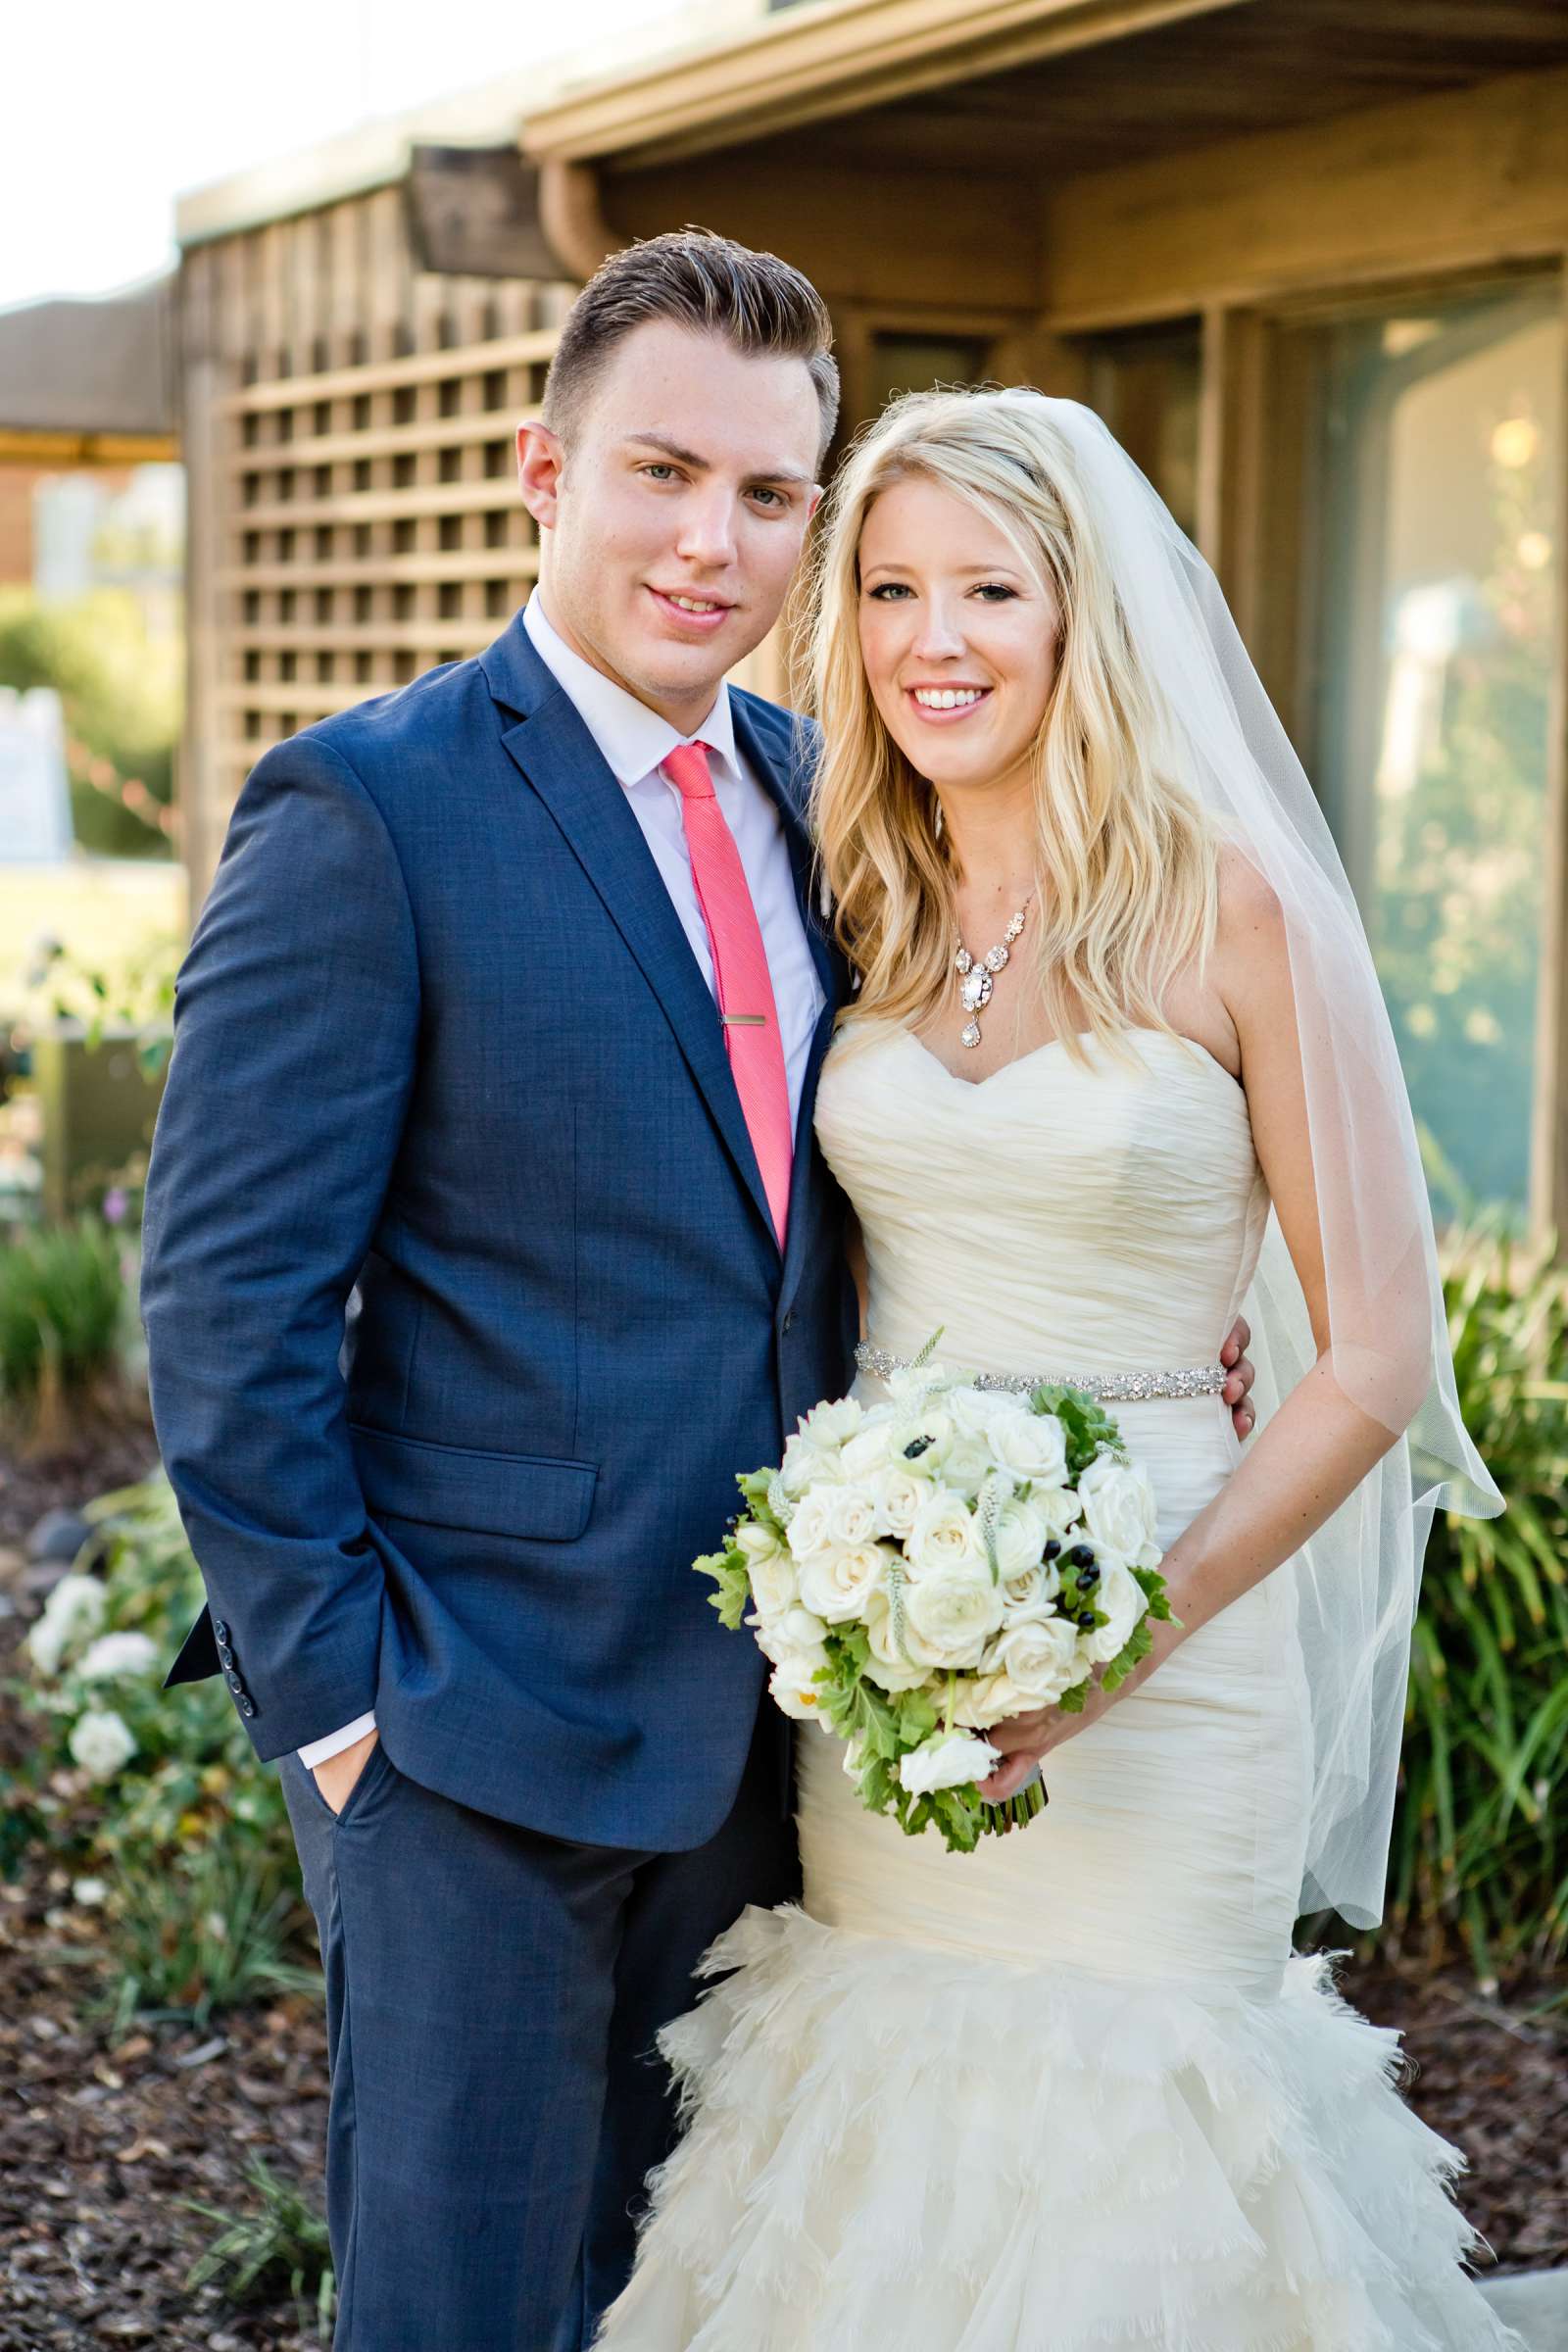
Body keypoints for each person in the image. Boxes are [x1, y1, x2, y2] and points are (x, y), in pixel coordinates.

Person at [137, 229, 1264, 2351]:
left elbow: (894, 1169)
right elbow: (223, 1300)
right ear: (540, 472)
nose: (710, 542)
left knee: (708, 2301)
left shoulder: (821, 803)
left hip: (783, 1741)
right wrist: (349, 1716)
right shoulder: (367, 809)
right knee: (466, 2312)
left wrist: (1140, 1314)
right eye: (663, 471)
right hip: (469, 1738)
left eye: (769, 497)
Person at [593, 387, 1514, 2351]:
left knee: (1135, 2177)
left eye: (988, 590)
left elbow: (1369, 1357)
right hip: (887, 1649)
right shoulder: (861, 906)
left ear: (1075, 612)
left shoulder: (1233, 912)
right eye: (891, 589)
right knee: (889, 2149)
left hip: (1171, 1659)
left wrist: (1121, 1640)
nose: (935, 639)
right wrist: (866, 1577)